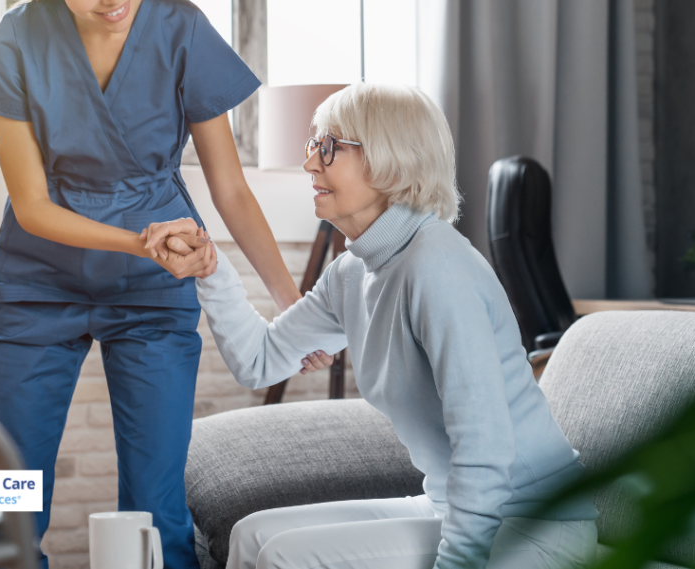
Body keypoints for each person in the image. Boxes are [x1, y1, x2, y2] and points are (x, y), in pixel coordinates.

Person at [146, 83, 599, 569]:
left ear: (390, 161)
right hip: (448, 504)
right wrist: (209, 269)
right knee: (253, 536)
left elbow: (485, 451)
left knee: (283, 558)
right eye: (312, 146)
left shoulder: (437, 267)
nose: (309, 164)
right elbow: (259, 361)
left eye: (329, 148)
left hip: (536, 525)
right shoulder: (352, 272)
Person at [0, 1, 329, 567]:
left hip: (153, 287)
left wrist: (291, 307)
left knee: (157, 507)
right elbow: (32, 206)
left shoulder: (180, 28)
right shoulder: (18, 36)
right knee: (7, 498)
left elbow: (229, 189)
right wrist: (140, 241)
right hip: (38, 281)